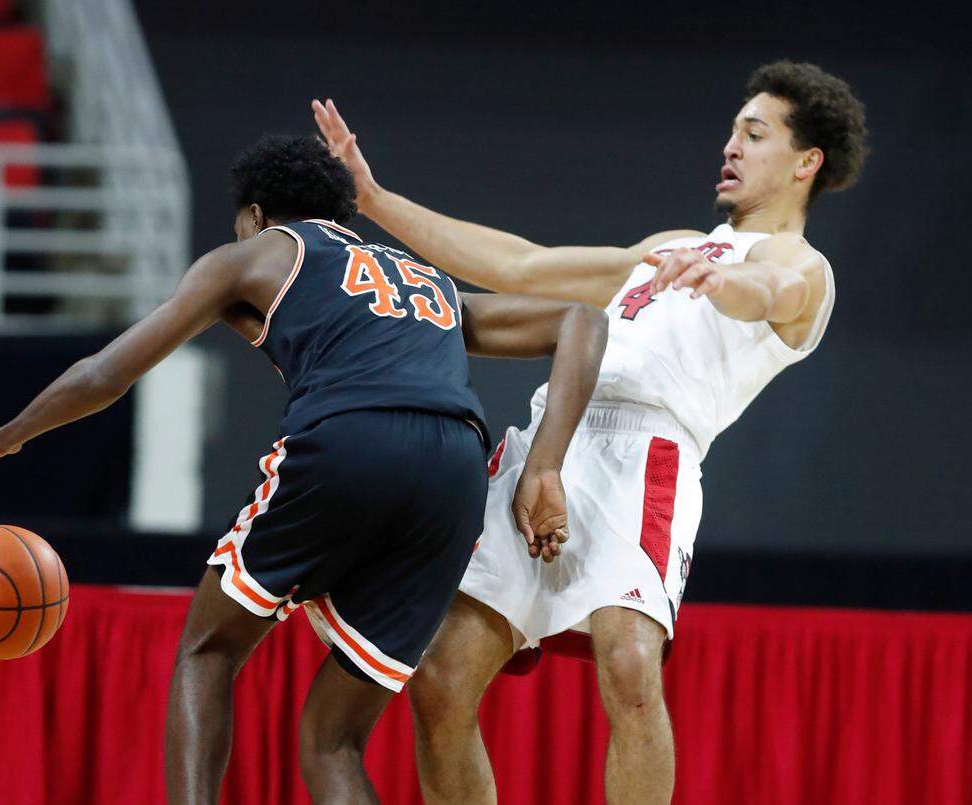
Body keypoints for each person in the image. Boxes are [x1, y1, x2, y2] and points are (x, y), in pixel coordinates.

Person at [0, 134, 608, 804]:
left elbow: (107, 371)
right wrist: (542, 464)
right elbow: (582, 320)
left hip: (351, 437)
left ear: (254, 215)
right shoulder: (420, 280)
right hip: (456, 470)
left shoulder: (254, 255)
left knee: (208, 650)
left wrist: (8, 434)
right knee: (330, 739)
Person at [313, 59, 868, 804]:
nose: (730, 147)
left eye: (755, 134)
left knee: (632, 666)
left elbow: (768, 291)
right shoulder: (675, 242)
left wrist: (724, 282)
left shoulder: (805, 268)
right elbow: (522, 263)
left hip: (648, 454)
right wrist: (373, 199)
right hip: (554, 433)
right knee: (441, 674)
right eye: (733, 131)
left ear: (807, 162)